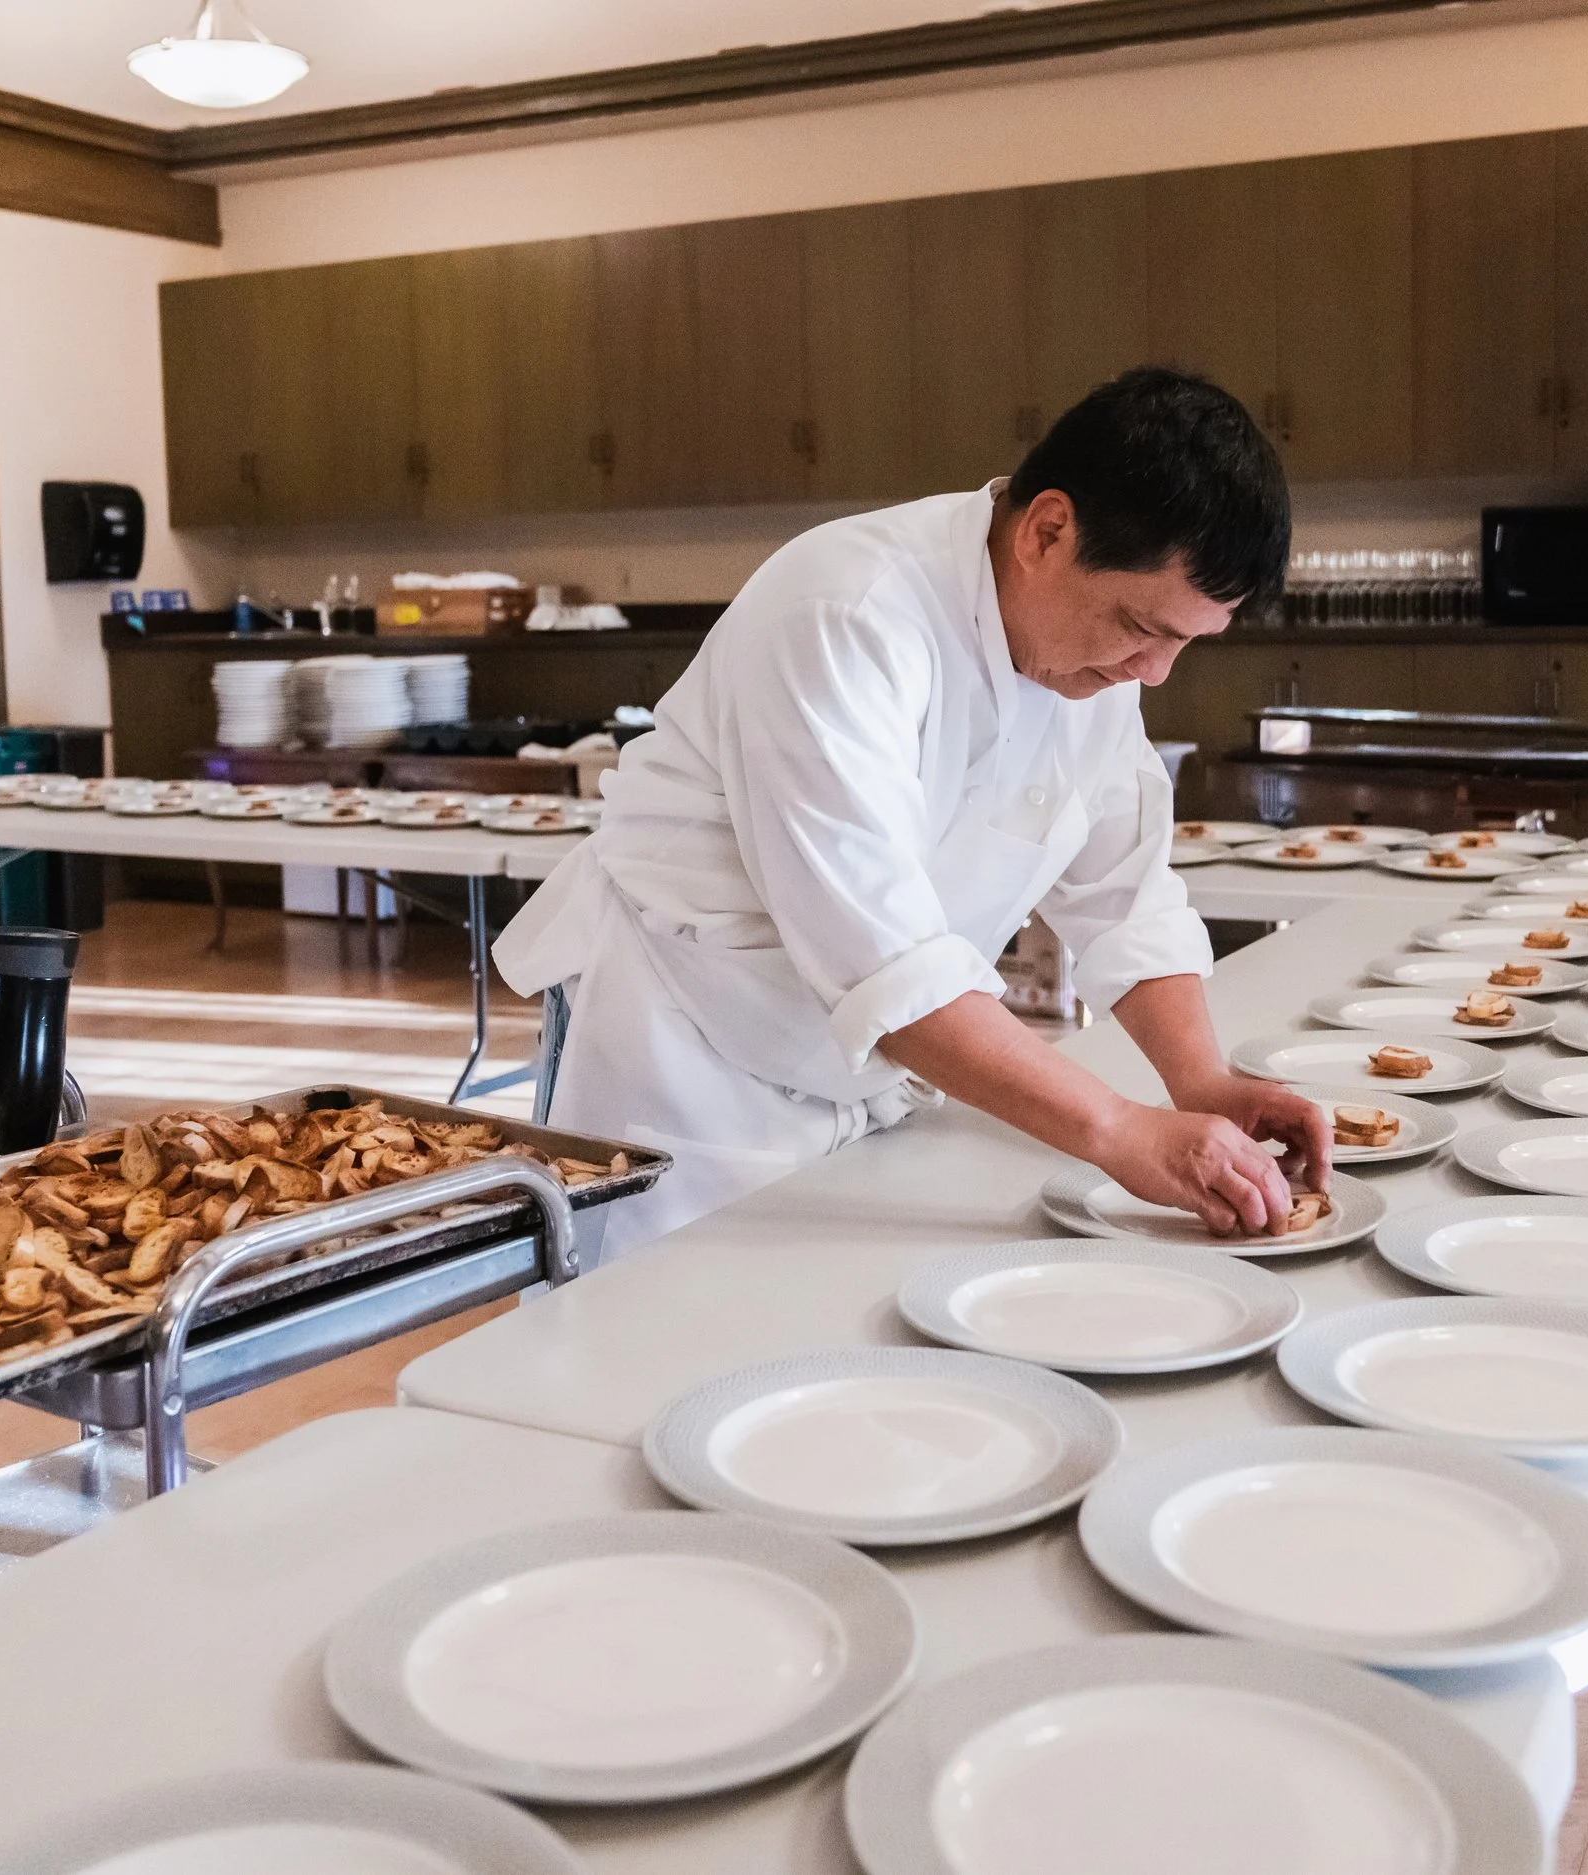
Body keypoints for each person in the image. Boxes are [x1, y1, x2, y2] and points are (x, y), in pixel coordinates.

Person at [494, 367, 1329, 1261]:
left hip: (864, 1081)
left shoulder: (1086, 665)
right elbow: (886, 964)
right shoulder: (847, 612)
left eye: (1184, 644)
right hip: (684, 1064)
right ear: (1048, 531)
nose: (1155, 673)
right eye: (1143, 626)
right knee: (632, 1366)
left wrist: (1199, 1081)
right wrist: (1118, 1130)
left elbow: (1124, 893)